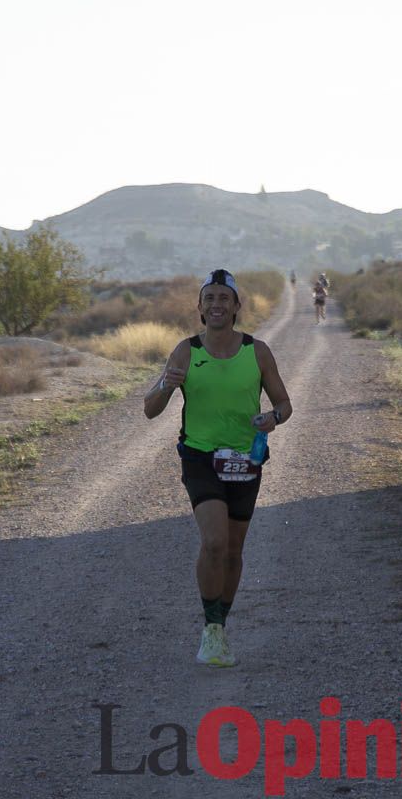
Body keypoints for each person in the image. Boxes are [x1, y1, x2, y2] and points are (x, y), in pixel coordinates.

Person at [144, 269, 292, 667]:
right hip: (200, 457)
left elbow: (284, 404)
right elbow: (149, 410)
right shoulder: (186, 351)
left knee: (233, 550)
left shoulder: (257, 351)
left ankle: (220, 624)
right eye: (209, 298)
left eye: (224, 298)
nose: (216, 305)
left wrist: (273, 418)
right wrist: (166, 385)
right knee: (213, 542)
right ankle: (210, 629)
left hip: (246, 460)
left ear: (237, 306)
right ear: (200, 307)